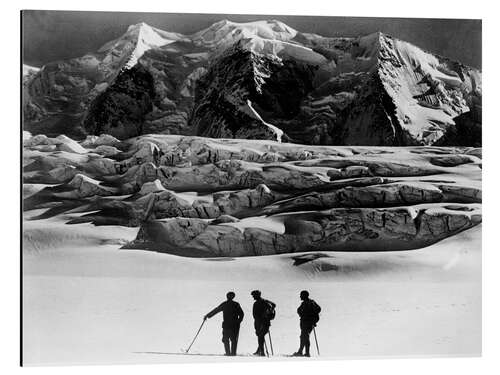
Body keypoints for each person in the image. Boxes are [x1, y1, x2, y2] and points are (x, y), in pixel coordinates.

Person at [204, 291, 244, 356]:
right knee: (232, 339)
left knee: (226, 339)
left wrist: (207, 316)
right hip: (233, 325)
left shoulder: (225, 304)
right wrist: (238, 322)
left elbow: (216, 310)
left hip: (228, 325)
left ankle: (228, 353)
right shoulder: (236, 304)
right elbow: (241, 314)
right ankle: (232, 353)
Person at [293, 290, 321, 357]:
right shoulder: (308, 302)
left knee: (305, 336)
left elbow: (318, 309)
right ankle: (302, 352)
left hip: (307, 323)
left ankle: (305, 352)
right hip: (307, 323)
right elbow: (299, 310)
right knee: (304, 337)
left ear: (304, 296)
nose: (300, 296)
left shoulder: (309, 303)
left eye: (301, 295)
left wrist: (308, 317)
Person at [250, 290, 276, 356]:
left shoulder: (259, 303)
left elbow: (255, 315)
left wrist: (264, 316)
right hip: (264, 322)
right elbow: (274, 305)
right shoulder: (265, 301)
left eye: (254, 295)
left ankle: (262, 352)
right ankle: (259, 350)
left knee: (260, 336)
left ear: (257, 295)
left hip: (261, 322)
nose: (253, 297)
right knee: (261, 336)